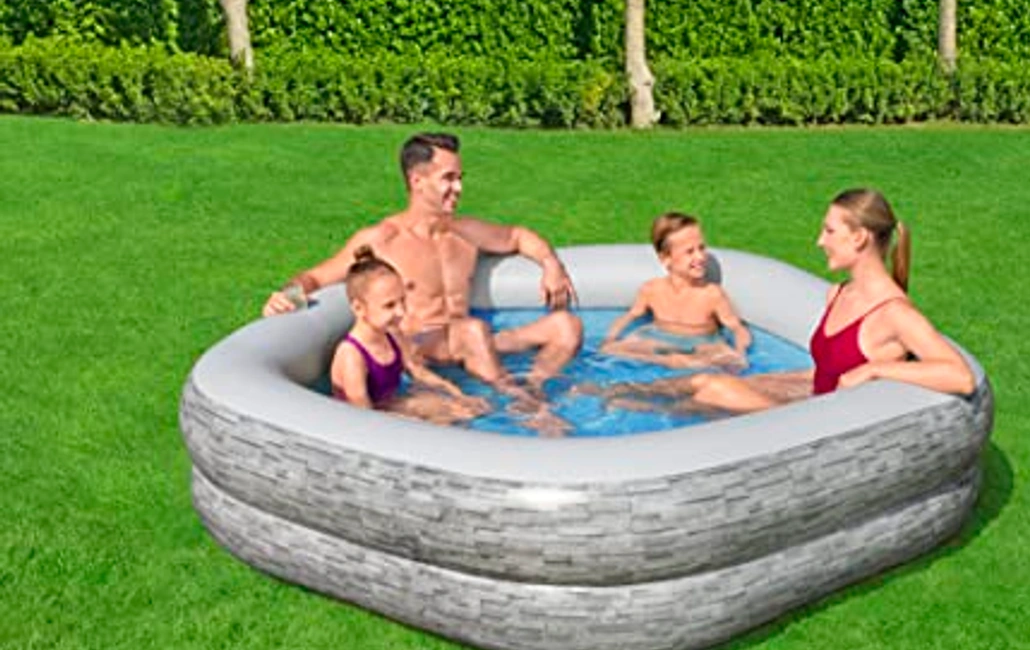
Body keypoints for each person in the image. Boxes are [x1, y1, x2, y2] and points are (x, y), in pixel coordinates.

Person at [600, 188, 975, 415]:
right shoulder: (839, 294)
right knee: (703, 380)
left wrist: (876, 370)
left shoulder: (893, 313)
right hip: (808, 403)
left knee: (714, 389)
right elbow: (826, 374)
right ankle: (606, 396)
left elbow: (960, 376)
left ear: (859, 238)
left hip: (822, 429)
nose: (820, 241)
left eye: (829, 231)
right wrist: (768, 381)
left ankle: (621, 422)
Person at [263, 132, 583, 392]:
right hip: (420, 348)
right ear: (417, 181)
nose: (459, 188)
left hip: (473, 344)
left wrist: (550, 264)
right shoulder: (383, 240)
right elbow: (316, 278)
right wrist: (286, 297)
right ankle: (518, 404)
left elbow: (518, 236)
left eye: (460, 178)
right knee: (472, 331)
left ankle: (535, 386)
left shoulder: (465, 232)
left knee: (565, 326)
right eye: (449, 179)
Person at [330, 246, 489, 426]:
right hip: (363, 422)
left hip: (388, 406)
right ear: (359, 308)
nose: (401, 312)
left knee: (466, 410)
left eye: (402, 301)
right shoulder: (352, 355)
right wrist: (413, 422)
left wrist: (458, 394)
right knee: (447, 420)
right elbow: (362, 414)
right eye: (389, 305)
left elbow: (417, 371)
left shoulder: (391, 335)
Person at [600, 211, 751, 370]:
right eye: (690, 251)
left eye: (701, 248)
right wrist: (609, 339)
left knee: (731, 360)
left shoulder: (711, 294)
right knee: (609, 350)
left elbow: (736, 327)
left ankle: (674, 361)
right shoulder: (651, 290)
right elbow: (630, 316)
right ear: (666, 258)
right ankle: (670, 361)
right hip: (659, 340)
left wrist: (740, 351)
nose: (700, 257)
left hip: (702, 345)